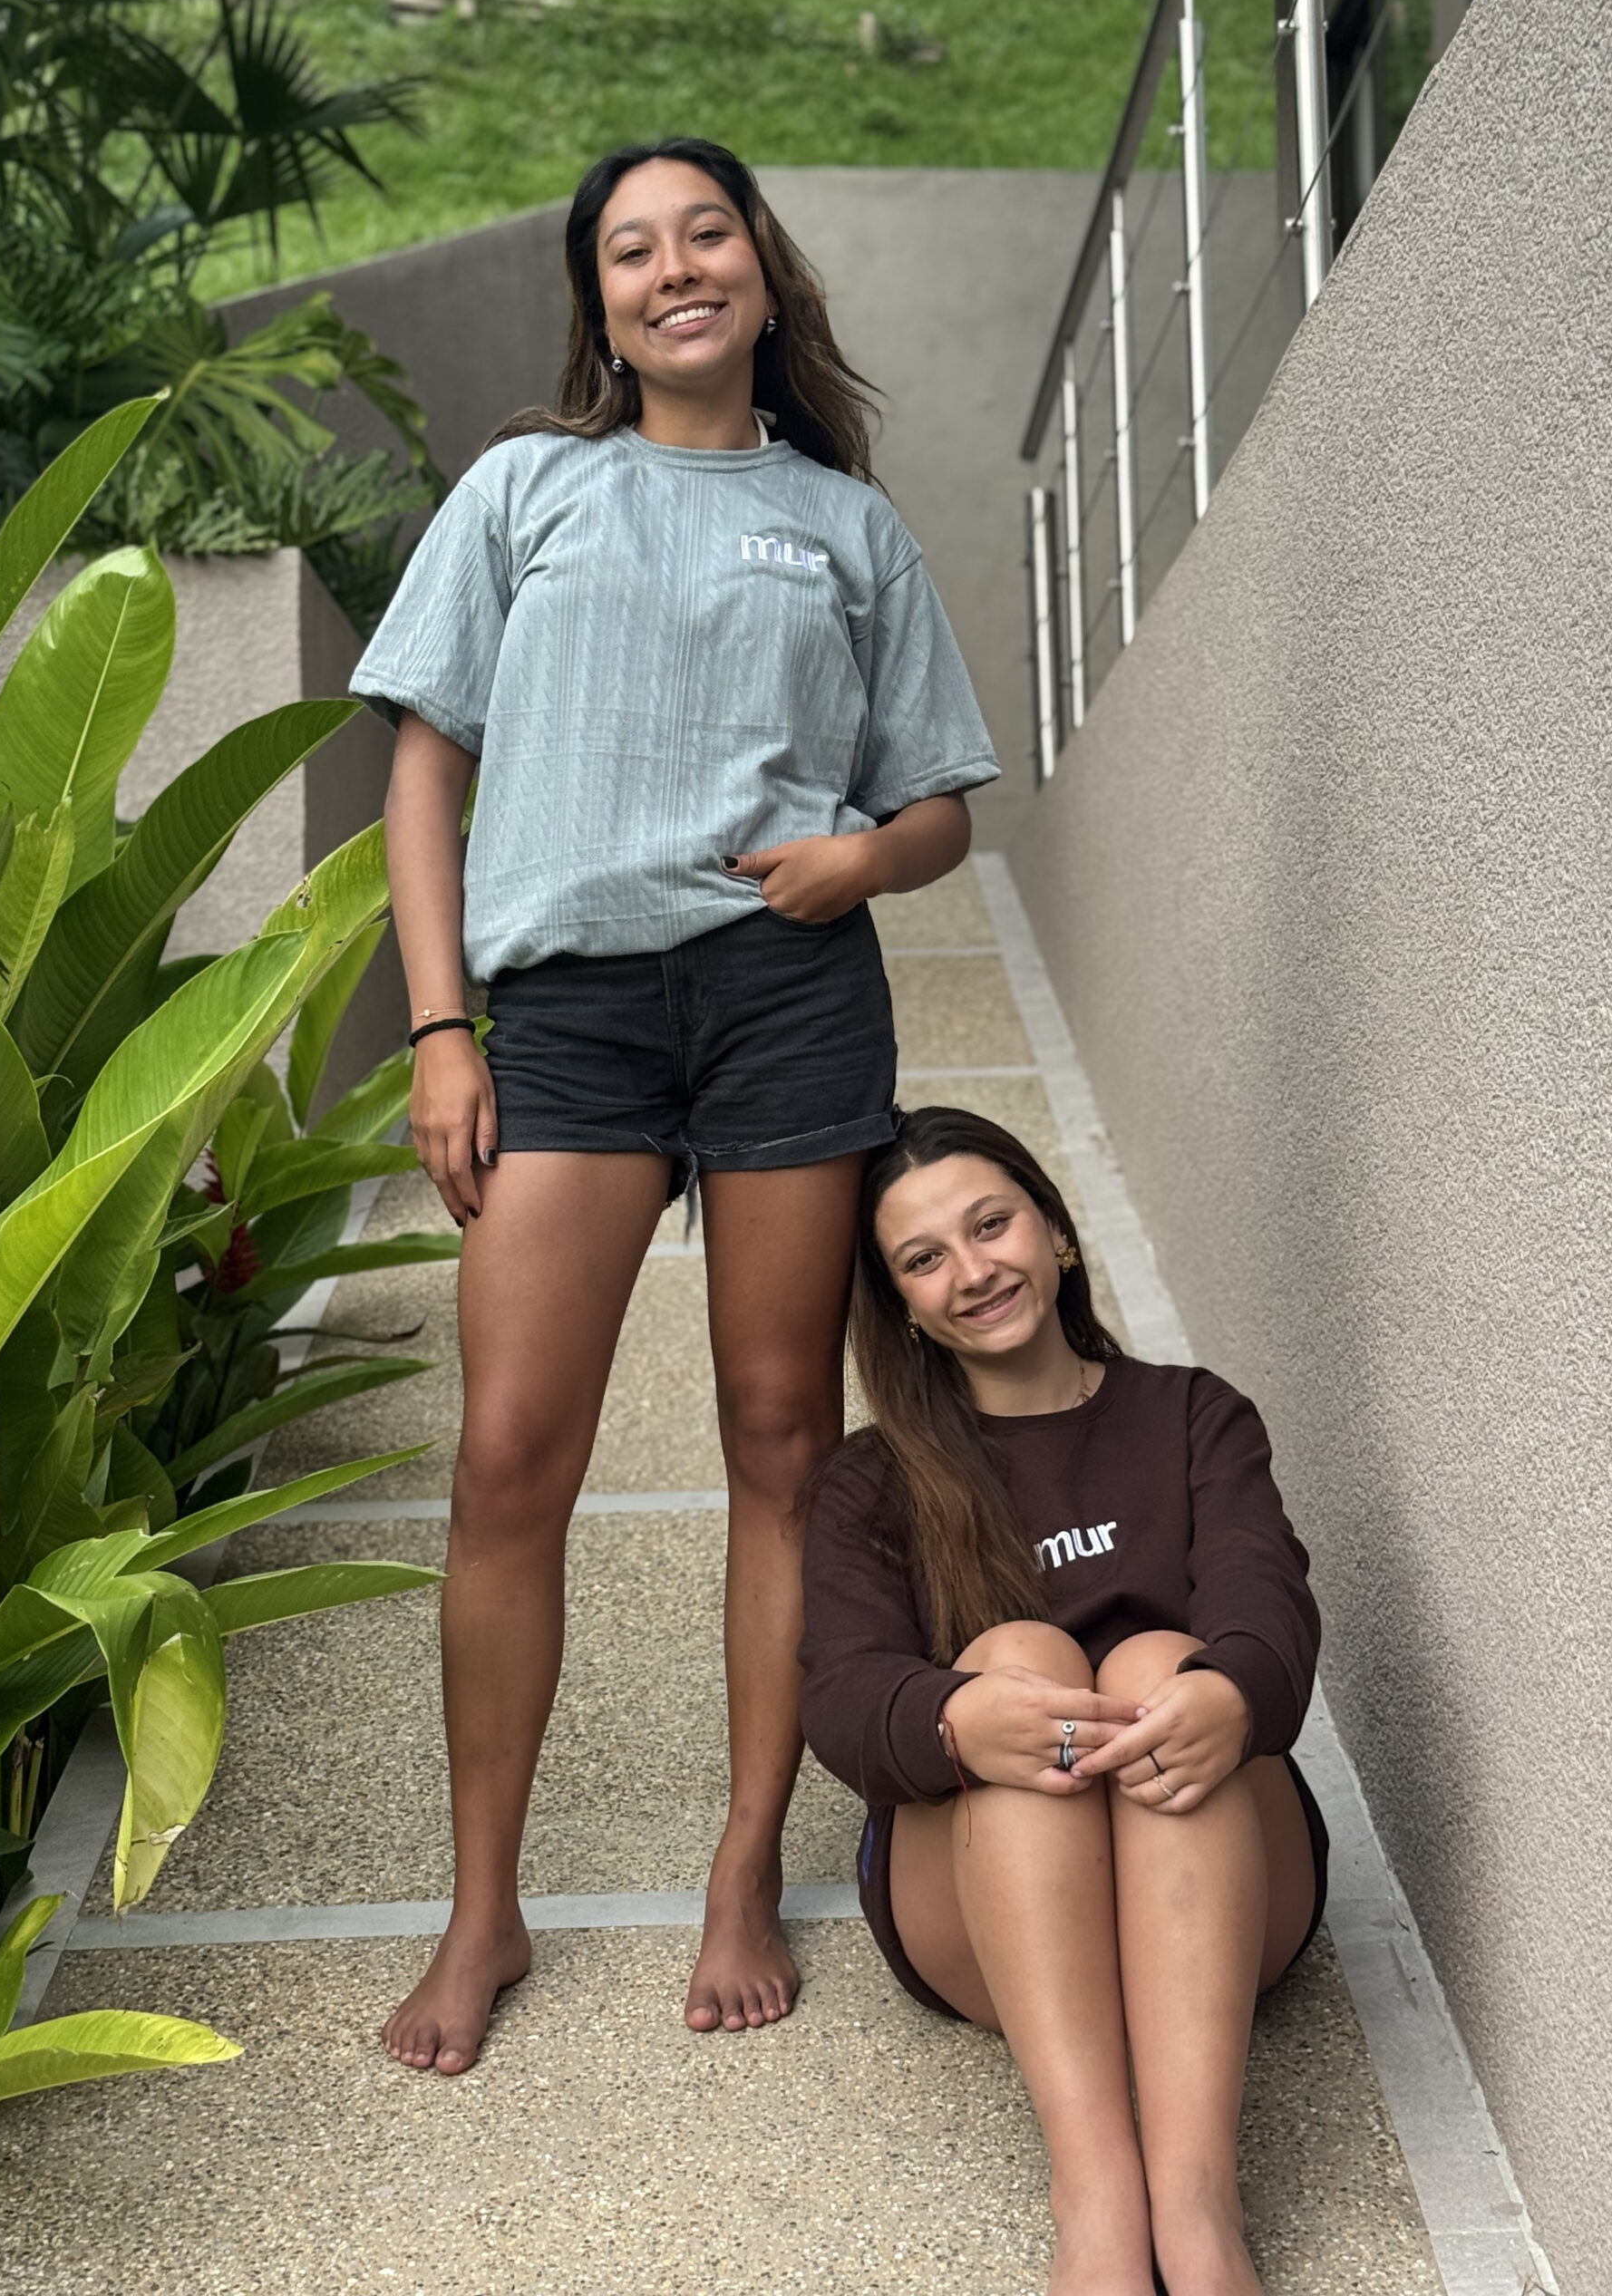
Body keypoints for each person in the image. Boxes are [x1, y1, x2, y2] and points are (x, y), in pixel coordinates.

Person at [351, 140, 1000, 2071]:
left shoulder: (845, 526)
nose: (673, 266)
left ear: (762, 272)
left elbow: (941, 804)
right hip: (566, 1011)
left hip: (788, 1000)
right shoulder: (523, 489)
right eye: (632, 250)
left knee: (783, 1439)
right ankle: (483, 1903)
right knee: (507, 1457)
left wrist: (858, 862)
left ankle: (743, 1864)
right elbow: (423, 767)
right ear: (604, 306)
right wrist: (441, 1028)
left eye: (705, 231)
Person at [799, 1108, 1326, 2296]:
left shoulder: (1193, 1415)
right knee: (1021, 1668)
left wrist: (1232, 1692)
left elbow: (1268, 1601)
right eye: (924, 1258)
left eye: (992, 1225)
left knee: (1156, 1669)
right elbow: (839, 1690)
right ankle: (1095, 2201)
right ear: (902, 1304)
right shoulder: (870, 1482)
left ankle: (1198, 2208)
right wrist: (952, 1718)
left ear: (1057, 1232)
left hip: (1222, 1902)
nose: (972, 1270)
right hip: (990, 1917)